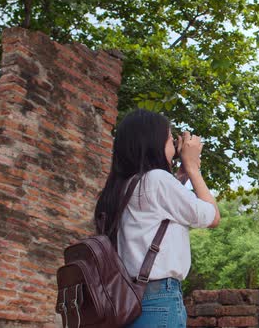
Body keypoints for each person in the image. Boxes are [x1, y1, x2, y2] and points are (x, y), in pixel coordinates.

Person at [93, 108, 221, 327]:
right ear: (154, 143)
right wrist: (192, 169)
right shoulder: (157, 180)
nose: (174, 148)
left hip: (126, 298)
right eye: (171, 141)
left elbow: (157, 212)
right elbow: (212, 217)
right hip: (158, 298)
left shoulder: (122, 186)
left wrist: (179, 176)